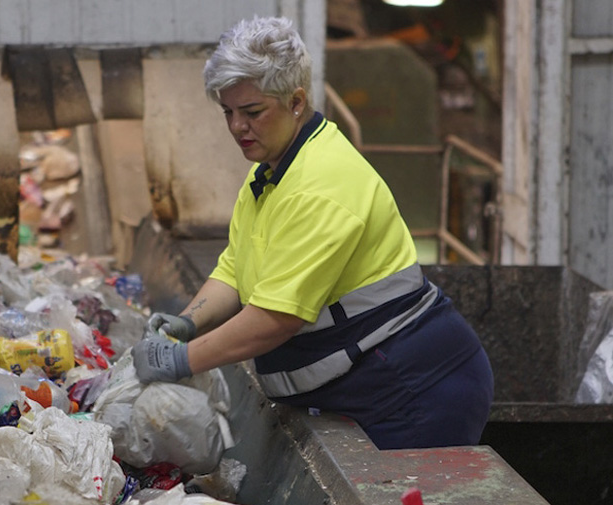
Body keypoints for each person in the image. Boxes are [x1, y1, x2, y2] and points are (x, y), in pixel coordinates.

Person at [131, 16, 494, 450]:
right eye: (227, 112)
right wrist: (189, 320)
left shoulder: (321, 184)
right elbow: (237, 264)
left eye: (252, 113)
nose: (236, 128)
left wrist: (181, 359)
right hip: (372, 385)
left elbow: (276, 317)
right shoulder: (270, 170)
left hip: (415, 391)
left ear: (297, 102)